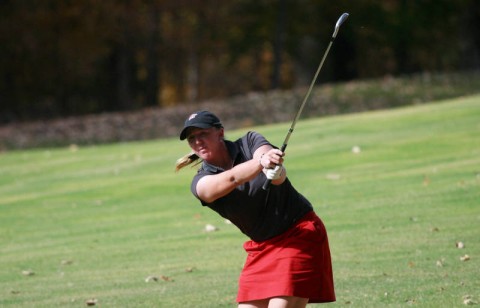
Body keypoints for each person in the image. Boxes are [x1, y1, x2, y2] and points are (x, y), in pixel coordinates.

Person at [176, 110, 335, 307]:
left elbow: (273, 167)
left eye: (203, 134)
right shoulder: (201, 182)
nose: (197, 141)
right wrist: (260, 163)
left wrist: (275, 170)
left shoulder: (250, 141)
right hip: (262, 247)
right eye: (192, 138)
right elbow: (232, 178)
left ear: (220, 133)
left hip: (298, 234)